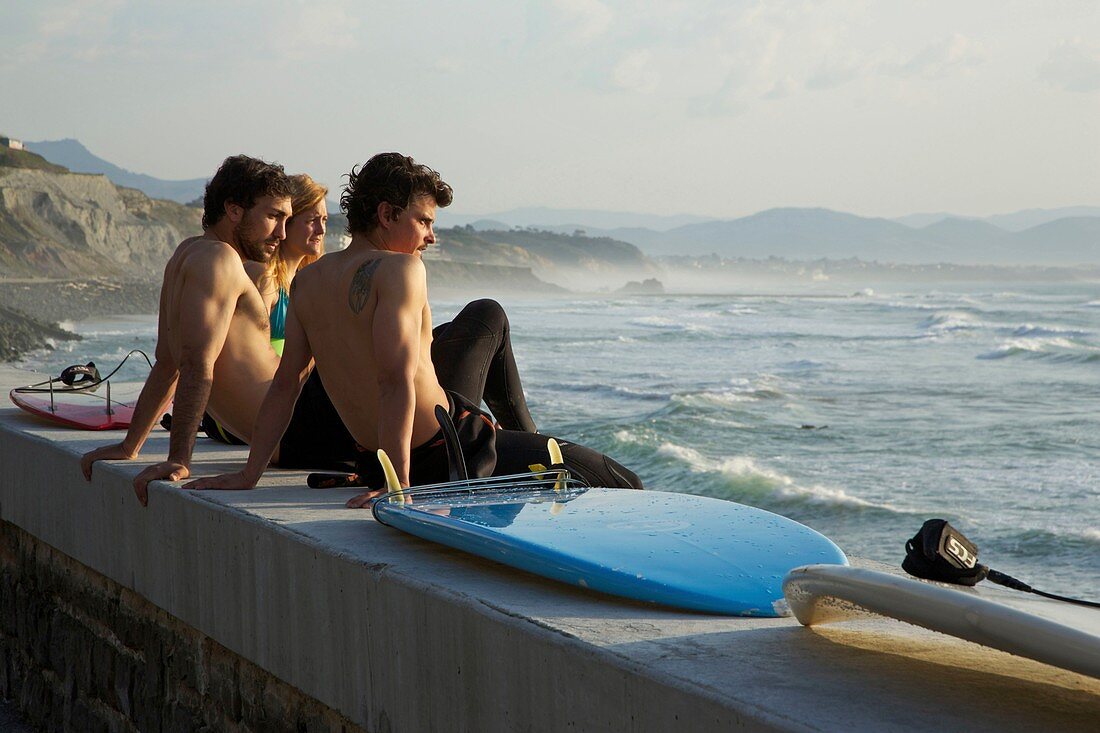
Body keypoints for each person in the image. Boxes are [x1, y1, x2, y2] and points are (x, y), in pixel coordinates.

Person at [185, 152, 641, 501]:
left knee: (486, 319)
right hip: (450, 449)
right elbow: (395, 379)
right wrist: (399, 483)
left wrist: (250, 474)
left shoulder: (310, 279)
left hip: (375, 459)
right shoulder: (400, 270)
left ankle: (523, 438)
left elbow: (286, 386)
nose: (430, 236)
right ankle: (527, 441)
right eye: (423, 221)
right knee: (621, 481)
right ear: (386, 215)